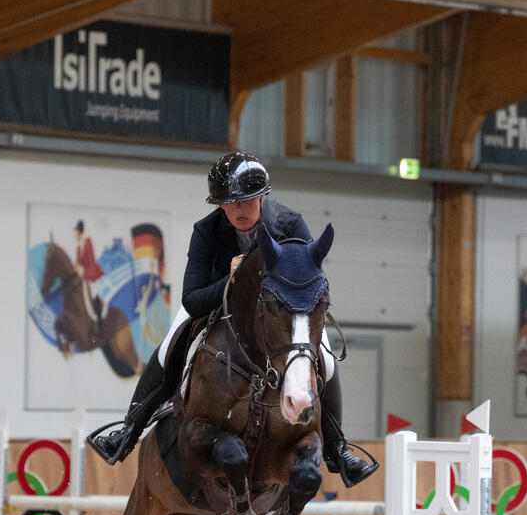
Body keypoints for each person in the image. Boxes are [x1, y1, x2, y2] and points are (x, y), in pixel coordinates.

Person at [87, 152, 377, 487]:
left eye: (247, 201)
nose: (239, 210)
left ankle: (338, 449)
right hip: (218, 304)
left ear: (262, 197)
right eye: (229, 203)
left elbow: (307, 277)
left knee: (324, 356)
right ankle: (129, 429)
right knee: (171, 342)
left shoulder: (290, 224)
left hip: (281, 310)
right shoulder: (206, 231)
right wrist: (233, 281)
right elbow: (192, 298)